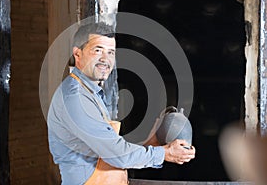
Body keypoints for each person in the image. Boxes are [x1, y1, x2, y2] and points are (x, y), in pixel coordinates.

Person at [47, 22, 196, 185]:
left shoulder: (91, 92)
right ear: (78, 54)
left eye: (111, 52)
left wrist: (150, 143)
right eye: (98, 50)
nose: (105, 59)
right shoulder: (76, 98)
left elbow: (108, 151)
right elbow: (117, 155)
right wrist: (164, 153)